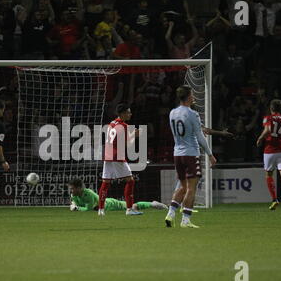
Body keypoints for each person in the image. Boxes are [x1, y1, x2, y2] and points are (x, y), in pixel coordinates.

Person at [166, 86, 217, 228]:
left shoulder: (172, 113)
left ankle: (170, 214)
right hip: (191, 153)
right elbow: (200, 136)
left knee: (182, 187)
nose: (194, 96)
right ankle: (186, 220)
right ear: (188, 97)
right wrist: (210, 154)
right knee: (191, 188)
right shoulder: (192, 113)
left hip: (177, 154)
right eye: (192, 94)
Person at [98, 103, 141, 216]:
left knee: (106, 182)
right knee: (130, 180)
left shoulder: (112, 123)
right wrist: (135, 135)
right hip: (117, 155)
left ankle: (101, 210)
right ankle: (129, 209)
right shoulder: (123, 125)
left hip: (107, 155)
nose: (130, 114)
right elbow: (126, 142)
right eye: (128, 112)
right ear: (123, 113)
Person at [256, 99, 281, 211]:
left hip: (270, 151)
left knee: (269, 174)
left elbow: (268, 129)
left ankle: (274, 200)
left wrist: (260, 138)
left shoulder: (268, 118)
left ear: (271, 108)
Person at [68, 178, 168, 212]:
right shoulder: (74, 195)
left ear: (79, 188)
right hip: (107, 208)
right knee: (132, 207)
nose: (71, 190)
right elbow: (76, 203)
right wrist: (73, 204)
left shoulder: (88, 194)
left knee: (133, 207)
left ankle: (153, 204)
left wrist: (77, 209)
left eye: (72, 188)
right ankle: (152, 204)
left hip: (111, 205)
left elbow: (88, 209)